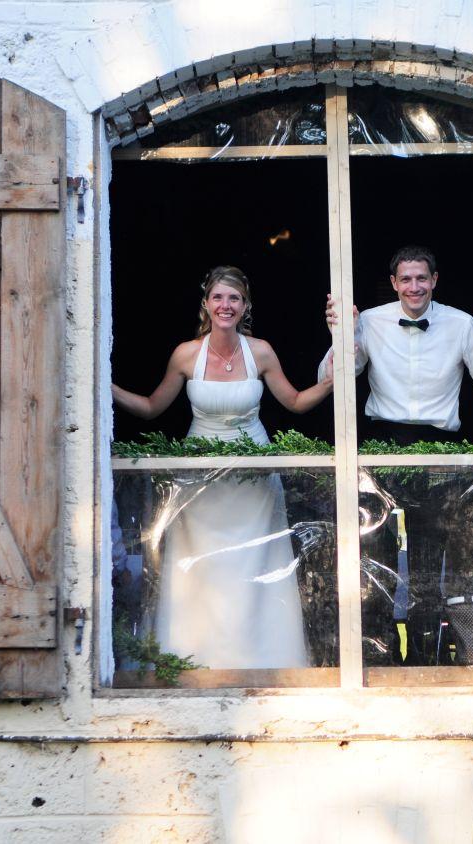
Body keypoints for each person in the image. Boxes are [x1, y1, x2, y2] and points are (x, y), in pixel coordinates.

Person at [112, 266, 332, 669]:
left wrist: (333, 381)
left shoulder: (261, 351)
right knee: (203, 572)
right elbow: (150, 408)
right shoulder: (185, 354)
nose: (225, 305)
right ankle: (193, 657)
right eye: (218, 297)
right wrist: (103, 386)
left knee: (258, 567)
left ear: (245, 306)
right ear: (206, 304)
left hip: (254, 483)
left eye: (233, 298)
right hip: (201, 484)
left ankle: (268, 659)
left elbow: (296, 402)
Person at [320, 245, 473, 664]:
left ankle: (424, 661)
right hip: (380, 450)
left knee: (427, 567)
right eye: (406, 279)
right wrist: (342, 335)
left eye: (422, 278)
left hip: (438, 454)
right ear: (394, 283)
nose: (414, 286)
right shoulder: (373, 321)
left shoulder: (461, 324)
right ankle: (377, 661)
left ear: (435, 280)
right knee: (375, 560)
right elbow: (329, 378)